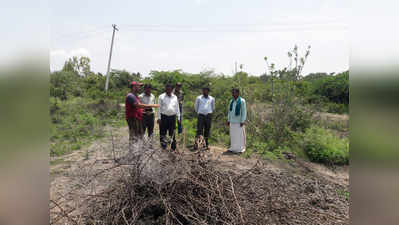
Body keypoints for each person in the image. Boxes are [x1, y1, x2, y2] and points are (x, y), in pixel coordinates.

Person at [125, 81, 159, 147]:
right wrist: (152, 106)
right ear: (134, 87)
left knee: (139, 135)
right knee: (134, 136)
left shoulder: (135, 96)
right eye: (138, 86)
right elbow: (138, 105)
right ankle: (133, 152)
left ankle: (138, 150)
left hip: (138, 117)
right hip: (133, 118)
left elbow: (138, 107)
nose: (140, 88)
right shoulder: (131, 96)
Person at [157, 84, 181, 151]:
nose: (168, 90)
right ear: (165, 89)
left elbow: (177, 107)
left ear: (172, 89)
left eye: (170, 89)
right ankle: (163, 148)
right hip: (163, 117)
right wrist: (159, 118)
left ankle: (173, 148)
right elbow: (159, 108)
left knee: (172, 133)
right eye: (167, 89)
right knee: (163, 133)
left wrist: (178, 117)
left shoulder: (175, 97)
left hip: (172, 118)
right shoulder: (161, 97)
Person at [227, 88, 247, 153]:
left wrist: (242, 121)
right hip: (232, 121)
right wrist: (228, 120)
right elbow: (229, 112)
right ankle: (233, 148)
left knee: (240, 136)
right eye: (232, 93)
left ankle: (241, 149)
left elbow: (244, 112)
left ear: (238, 93)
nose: (233, 94)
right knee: (233, 135)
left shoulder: (242, 101)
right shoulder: (231, 101)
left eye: (234, 93)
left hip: (239, 122)